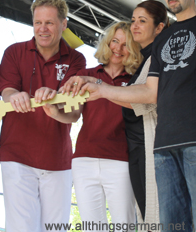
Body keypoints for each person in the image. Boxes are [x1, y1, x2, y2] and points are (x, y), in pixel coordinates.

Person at [82, 0, 196, 232]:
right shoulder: (164, 38)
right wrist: (102, 89)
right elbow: (150, 92)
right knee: (171, 226)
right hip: (162, 146)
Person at [0, 0, 86, 232]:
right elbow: (6, 91)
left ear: (63, 24)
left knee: (56, 228)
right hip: (16, 155)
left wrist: (54, 110)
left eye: (49, 23)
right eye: (38, 22)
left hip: (58, 158)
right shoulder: (14, 52)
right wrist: (14, 96)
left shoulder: (76, 59)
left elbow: (75, 113)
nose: (42, 29)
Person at [53, 22, 141, 231]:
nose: (118, 49)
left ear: (134, 49)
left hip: (120, 160)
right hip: (84, 159)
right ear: (107, 43)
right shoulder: (86, 73)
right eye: (114, 41)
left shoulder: (136, 81)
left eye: (125, 44)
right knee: (92, 227)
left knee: (125, 225)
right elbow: (74, 115)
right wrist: (55, 112)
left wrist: (100, 85)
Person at [122, 0, 168, 227]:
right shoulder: (146, 59)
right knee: (146, 215)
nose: (135, 26)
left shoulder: (157, 57)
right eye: (133, 21)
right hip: (137, 149)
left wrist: (99, 89)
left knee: (155, 217)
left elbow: (141, 100)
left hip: (149, 146)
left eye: (142, 21)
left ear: (159, 27)